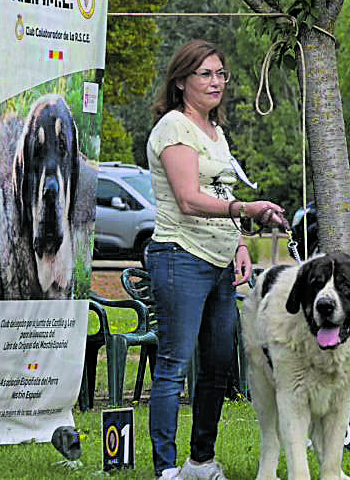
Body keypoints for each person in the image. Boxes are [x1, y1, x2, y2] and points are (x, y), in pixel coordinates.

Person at [146, 40, 289, 480]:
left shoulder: (215, 132)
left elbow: (222, 191)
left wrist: (241, 245)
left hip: (221, 260)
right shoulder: (174, 128)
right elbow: (189, 200)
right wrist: (249, 209)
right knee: (174, 363)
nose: (215, 82)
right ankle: (166, 469)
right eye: (205, 74)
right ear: (181, 81)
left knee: (218, 364)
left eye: (221, 74)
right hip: (180, 255)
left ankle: (200, 463)